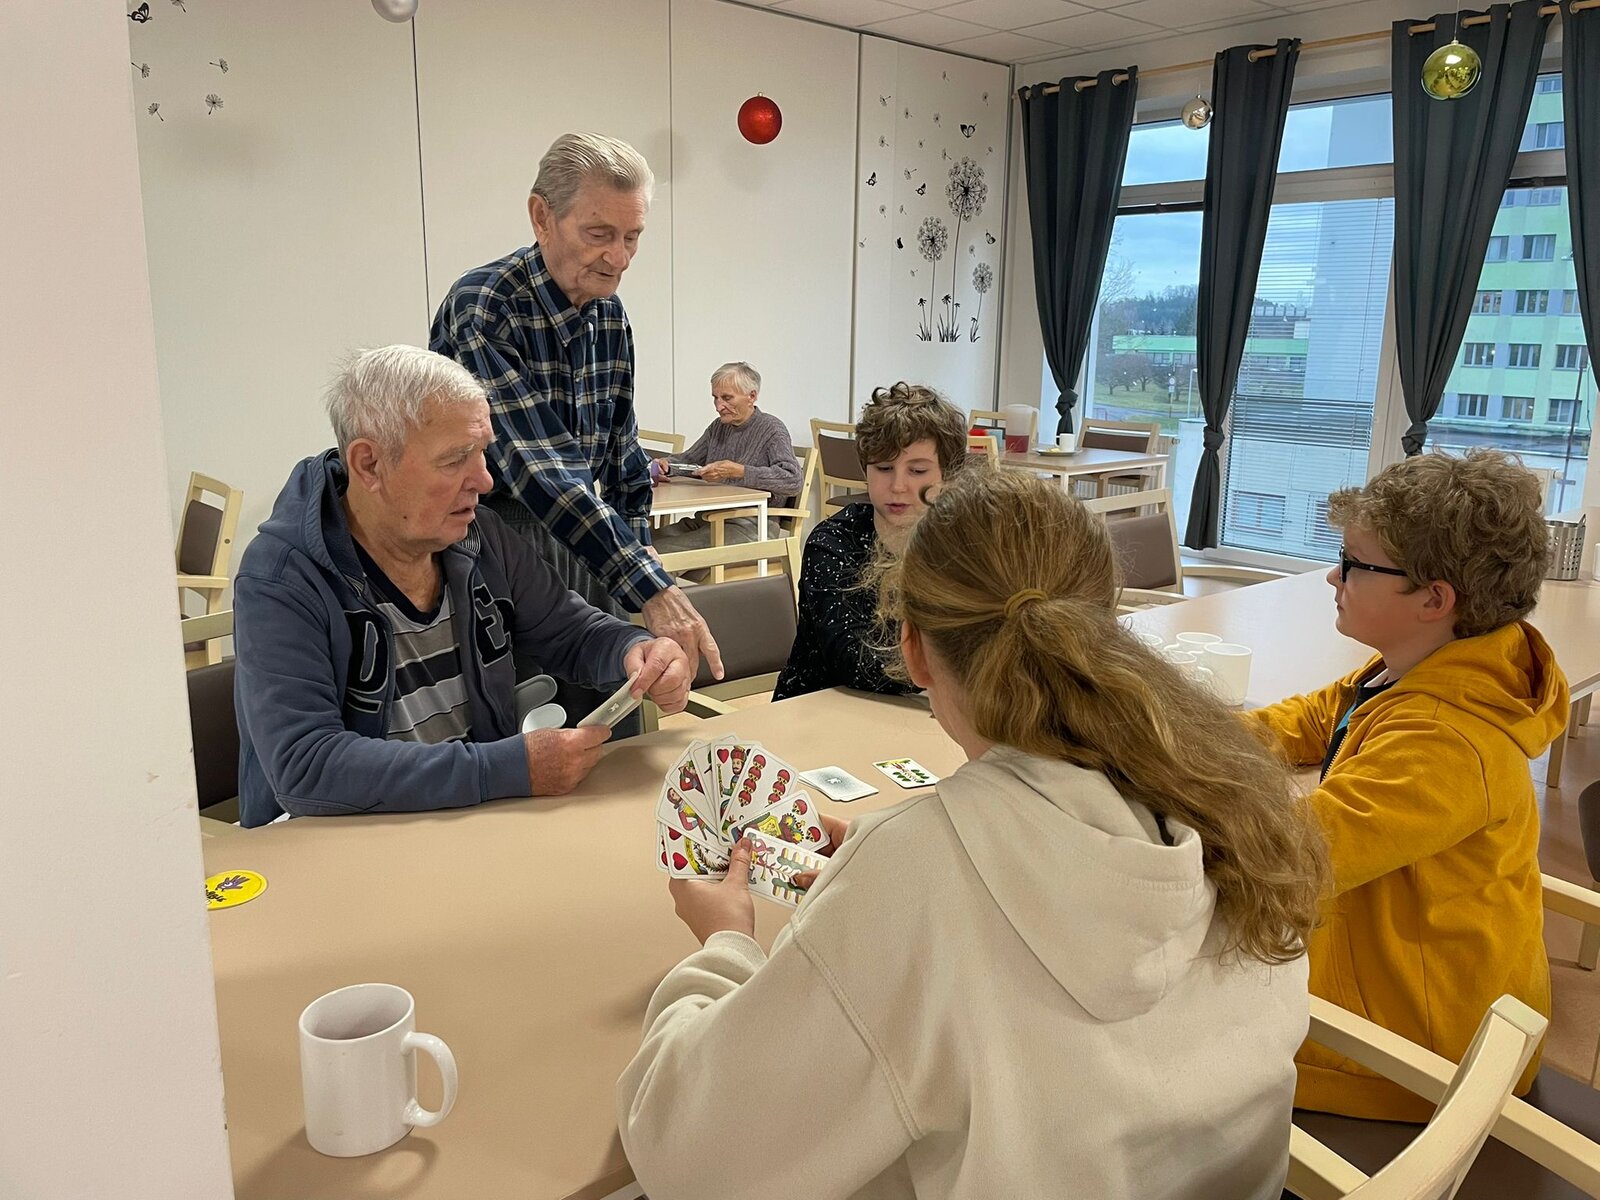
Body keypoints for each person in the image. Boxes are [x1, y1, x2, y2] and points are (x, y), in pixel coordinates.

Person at [618, 468, 1329, 1199]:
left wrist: (724, 942)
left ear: (914, 650)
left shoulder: (914, 881)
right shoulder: (1231, 805)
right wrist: (897, 862)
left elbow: (685, 1156)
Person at [233, 346, 692, 829]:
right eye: (455, 459)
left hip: (473, 822)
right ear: (369, 465)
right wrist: (504, 769)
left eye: (483, 451)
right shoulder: (281, 577)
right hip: (342, 840)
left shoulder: (481, 535)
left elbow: (570, 632)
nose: (484, 479)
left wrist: (634, 650)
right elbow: (307, 767)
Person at [1247, 449, 1568, 1121]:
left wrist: (1176, 779)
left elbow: (1294, 857)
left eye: (1355, 564)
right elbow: (1315, 718)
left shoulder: (1446, 738)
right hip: (1404, 986)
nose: (1333, 576)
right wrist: (1180, 739)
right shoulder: (1427, 665)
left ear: (1433, 599)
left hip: (1419, 1054)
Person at [429, 132, 722, 729]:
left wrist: (638, 553)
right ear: (542, 217)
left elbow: (623, 457)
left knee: (616, 724)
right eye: (599, 234)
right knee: (532, 738)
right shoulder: (484, 306)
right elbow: (543, 471)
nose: (619, 257)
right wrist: (648, 586)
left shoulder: (610, 315)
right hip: (499, 553)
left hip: (590, 541)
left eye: (632, 236)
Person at [771, 382, 967, 702]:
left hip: (920, 707)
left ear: (948, 476)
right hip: (820, 707)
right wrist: (965, 668)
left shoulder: (961, 543)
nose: (898, 485)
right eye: (884, 468)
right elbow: (856, 662)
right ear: (865, 470)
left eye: (917, 470)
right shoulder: (832, 544)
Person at [649, 361, 801, 552]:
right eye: (715, 398)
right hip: (709, 518)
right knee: (634, 544)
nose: (719, 406)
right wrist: (668, 465)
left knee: (654, 553)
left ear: (752, 396)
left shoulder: (772, 429)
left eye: (727, 398)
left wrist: (740, 471)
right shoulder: (718, 427)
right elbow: (690, 460)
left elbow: (793, 480)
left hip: (752, 526)